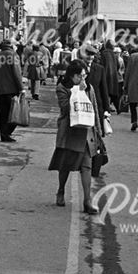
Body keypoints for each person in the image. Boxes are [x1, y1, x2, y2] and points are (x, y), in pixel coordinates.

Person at [49, 59, 102, 214]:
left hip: (85, 131)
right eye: (80, 76)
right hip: (70, 132)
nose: (83, 79)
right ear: (72, 76)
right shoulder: (62, 88)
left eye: (84, 76)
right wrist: (77, 91)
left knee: (87, 166)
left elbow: (94, 109)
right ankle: (60, 191)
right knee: (65, 165)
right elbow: (65, 109)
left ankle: (87, 200)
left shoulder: (89, 87)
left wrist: (98, 131)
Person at [0, 39, 23, 142]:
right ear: (11, 46)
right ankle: (7, 132)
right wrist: (21, 88)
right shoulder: (13, 55)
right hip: (11, 88)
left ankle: (3, 134)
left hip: (1, 88)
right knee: (13, 113)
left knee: (3, 113)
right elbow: (17, 73)